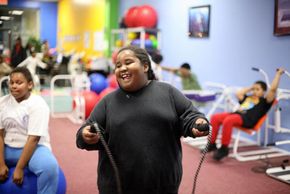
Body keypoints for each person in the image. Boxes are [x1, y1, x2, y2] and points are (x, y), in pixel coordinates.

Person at [76, 46, 209, 194]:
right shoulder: (107, 101)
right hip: (117, 187)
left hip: (163, 186)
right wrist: (85, 135)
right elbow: (84, 133)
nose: (122, 68)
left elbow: (190, 115)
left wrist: (197, 123)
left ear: (145, 66)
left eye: (128, 62)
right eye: (118, 65)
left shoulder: (168, 92)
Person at [0, 67, 59, 194]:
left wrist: (19, 168)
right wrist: (1, 164)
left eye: (19, 82)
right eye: (11, 82)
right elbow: (0, 135)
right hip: (8, 148)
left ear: (30, 84)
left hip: (35, 148)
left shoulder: (38, 104)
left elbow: (33, 139)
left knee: (49, 167)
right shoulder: (2, 103)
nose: (14, 86)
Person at [207, 68, 285, 161]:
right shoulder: (248, 98)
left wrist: (278, 74)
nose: (255, 91)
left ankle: (224, 148)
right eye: (254, 89)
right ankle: (211, 144)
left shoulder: (264, 102)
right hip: (236, 115)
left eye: (258, 89)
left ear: (264, 91)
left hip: (247, 119)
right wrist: (251, 87)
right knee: (215, 117)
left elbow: (272, 90)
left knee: (228, 120)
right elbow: (238, 93)